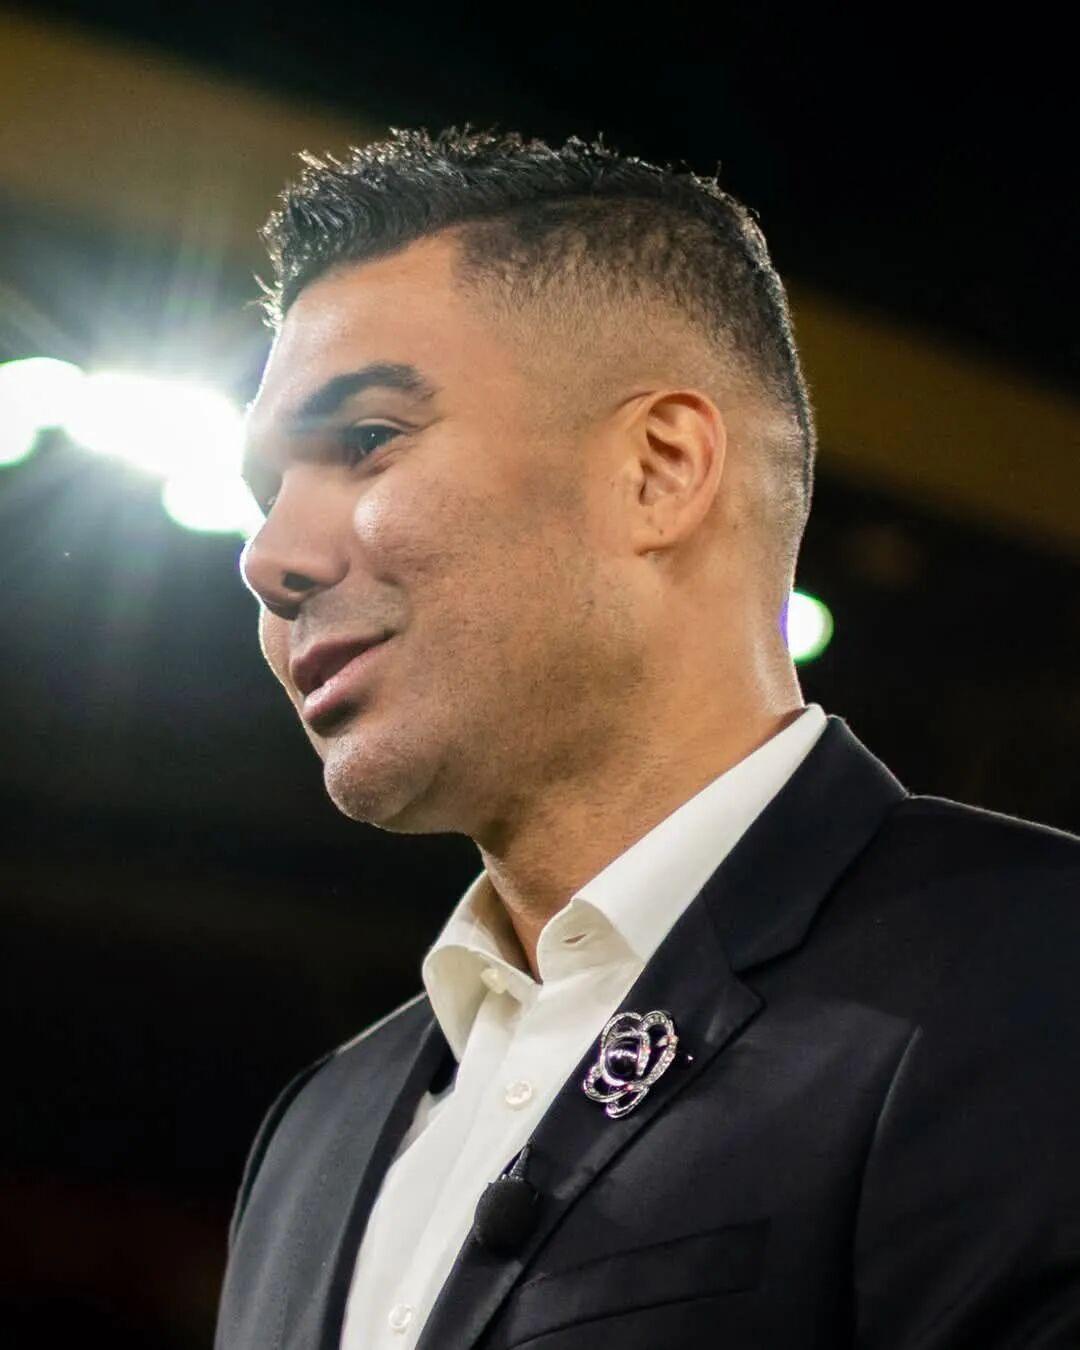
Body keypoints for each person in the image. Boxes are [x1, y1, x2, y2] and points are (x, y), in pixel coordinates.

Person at [215, 128, 1080, 1349]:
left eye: (364, 441)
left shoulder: (1034, 971)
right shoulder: (314, 1135)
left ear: (660, 469)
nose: (267, 559)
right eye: (262, 498)